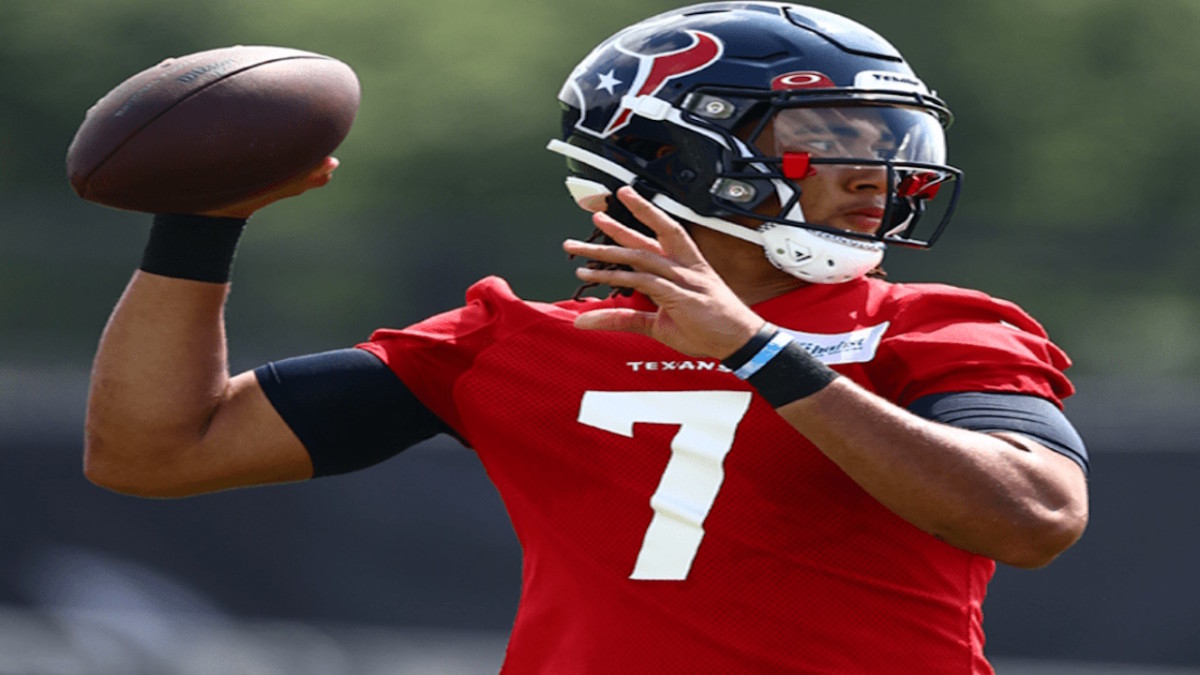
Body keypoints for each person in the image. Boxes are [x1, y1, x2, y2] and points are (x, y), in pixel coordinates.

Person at [83, 2, 1089, 673]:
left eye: (890, 142)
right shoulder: (508, 344)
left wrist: (755, 352)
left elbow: (1035, 518)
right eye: (833, 137)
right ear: (684, 150)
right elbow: (156, 451)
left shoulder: (939, 326)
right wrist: (199, 225)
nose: (879, 175)